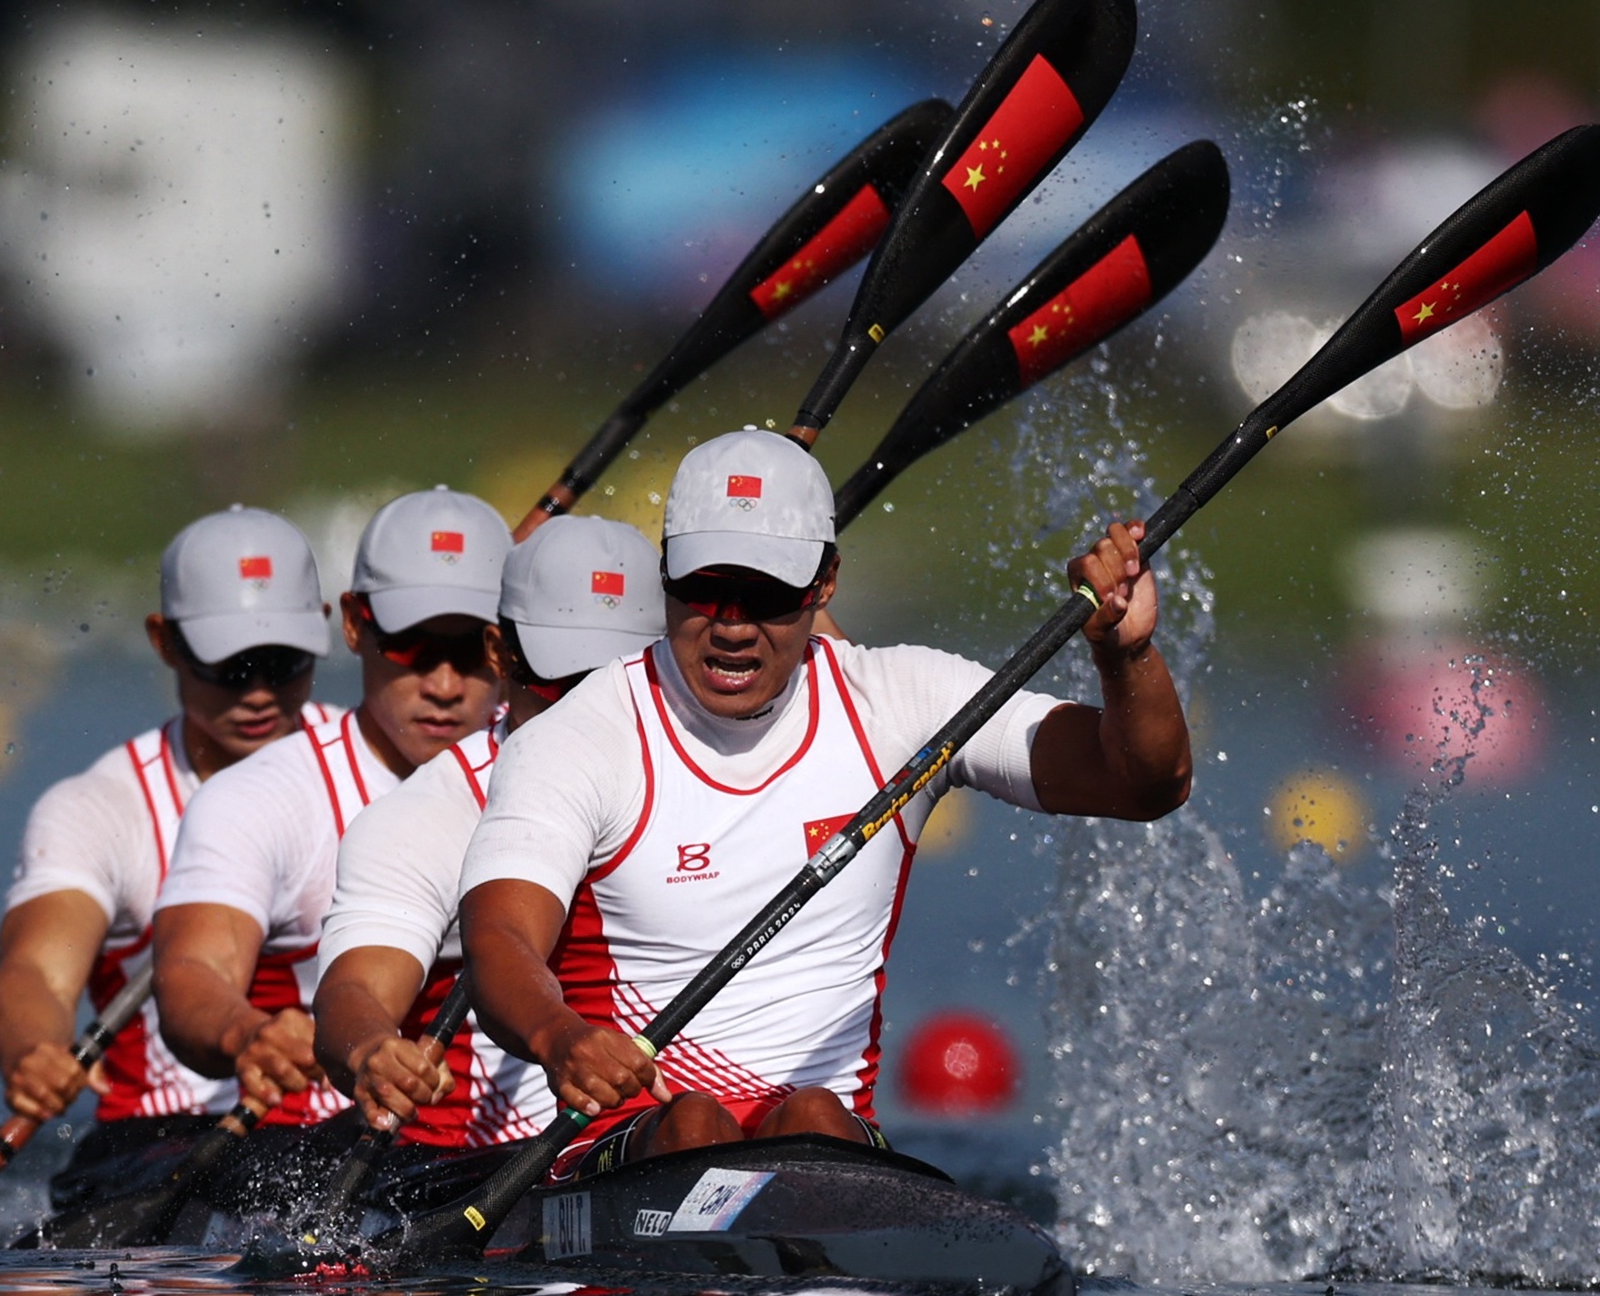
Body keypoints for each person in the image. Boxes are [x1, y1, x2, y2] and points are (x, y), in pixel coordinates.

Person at [459, 429, 1192, 1173]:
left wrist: (1124, 654)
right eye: (706, 588)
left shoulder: (899, 704)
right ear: (665, 576)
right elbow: (499, 941)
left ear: (825, 582)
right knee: (696, 1124)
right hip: (629, 1149)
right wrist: (557, 1036)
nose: (734, 626)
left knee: (813, 1116)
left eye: (770, 595)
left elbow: (1142, 784)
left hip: (822, 1154)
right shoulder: (580, 735)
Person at [269, 516, 664, 1155]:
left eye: (608, 683)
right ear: (502, 655)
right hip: (492, 1163)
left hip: (671, 1130)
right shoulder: (430, 813)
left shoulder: (727, 759)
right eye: (560, 680)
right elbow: (354, 992)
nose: (585, 714)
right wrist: (371, 1049)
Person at [0, 505, 334, 1210]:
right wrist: (35, 1052)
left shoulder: (391, 776)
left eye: (284, 661)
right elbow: (33, 978)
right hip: (160, 1145)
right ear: (164, 640)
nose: (260, 690)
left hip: (344, 1137)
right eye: (231, 665)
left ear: (327, 627)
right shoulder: (100, 807)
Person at [152, 486, 508, 1149]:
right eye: (411, 646)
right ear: (352, 624)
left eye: (471, 650)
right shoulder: (263, 794)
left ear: (508, 642)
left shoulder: (562, 768)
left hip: (518, 1146)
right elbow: (190, 975)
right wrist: (246, 1032)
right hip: (324, 1151)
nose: (444, 685)